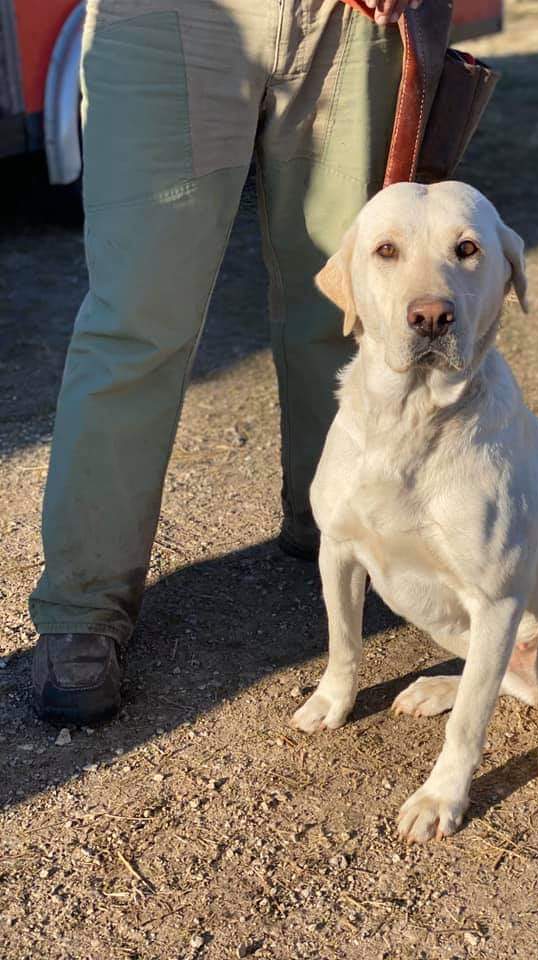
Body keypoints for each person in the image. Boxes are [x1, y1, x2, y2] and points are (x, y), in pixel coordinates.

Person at [29, 0, 423, 725]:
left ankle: (338, 526)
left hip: (350, 23)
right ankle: (83, 602)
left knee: (349, 306)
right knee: (137, 321)